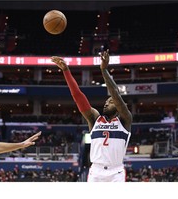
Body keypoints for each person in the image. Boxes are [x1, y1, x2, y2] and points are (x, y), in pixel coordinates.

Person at [51, 49, 132, 182]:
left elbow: (116, 95)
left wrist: (104, 70)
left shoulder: (125, 120)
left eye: (110, 102)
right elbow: (78, 96)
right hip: (96, 171)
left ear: (118, 107)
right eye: (106, 102)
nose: (106, 104)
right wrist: (66, 71)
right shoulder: (95, 119)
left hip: (116, 172)